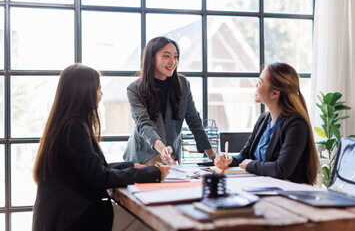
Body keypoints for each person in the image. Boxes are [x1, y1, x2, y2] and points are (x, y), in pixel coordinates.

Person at [32, 64, 169, 231]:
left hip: (64, 216)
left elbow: (92, 169)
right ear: (84, 92)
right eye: (98, 90)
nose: (101, 95)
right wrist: (153, 172)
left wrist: (132, 165)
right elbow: (100, 177)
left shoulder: (66, 124)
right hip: (73, 221)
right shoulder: (73, 128)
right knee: (151, 223)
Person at [214, 63, 320, 185]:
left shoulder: (296, 124)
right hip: (264, 186)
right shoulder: (263, 120)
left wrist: (250, 165)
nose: (255, 86)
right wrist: (229, 160)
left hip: (289, 192)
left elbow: (281, 169)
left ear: (274, 93)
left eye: (260, 82)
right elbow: (245, 155)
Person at [124, 36, 216, 165]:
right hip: (143, 157)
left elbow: (194, 121)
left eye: (176, 57)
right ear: (152, 58)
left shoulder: (182, 84)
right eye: (166, 56)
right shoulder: (135, 89)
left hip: (171, 157)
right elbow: (144, 124)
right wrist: (162, 149)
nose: (172, 61)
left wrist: (213, 157)